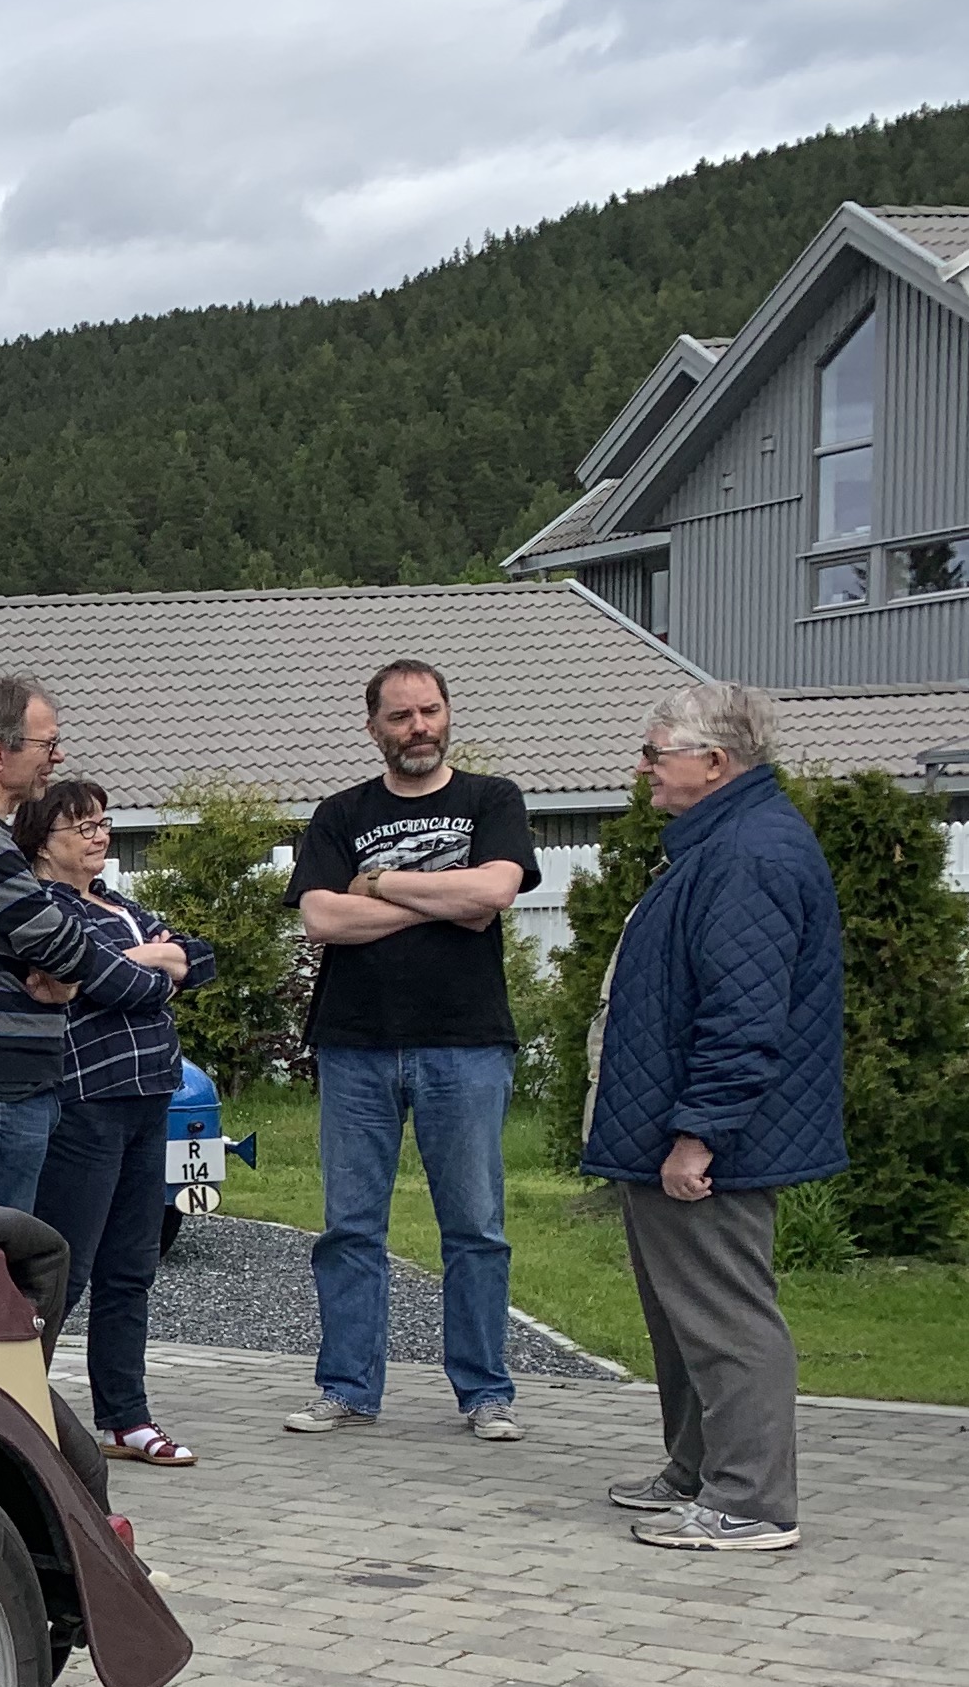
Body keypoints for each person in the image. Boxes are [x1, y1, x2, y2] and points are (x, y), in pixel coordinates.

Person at [583, 682, 844, 1552]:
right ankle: (695, 1471)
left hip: (716, 1140)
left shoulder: (747, 856)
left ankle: (751, 1503)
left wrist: (699, 1135)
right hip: (681, 1126)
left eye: (655, 754)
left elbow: (742, 1017)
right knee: (683, 1315)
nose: (643, 769)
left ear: (715, 763)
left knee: (725, 1316)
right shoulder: (726, 842)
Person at [281, 660, 540, 1443]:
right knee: (350, 1229)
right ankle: (347, 1388)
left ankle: (485, 1393)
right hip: (355, 1045)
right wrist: (442, 900)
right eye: (401, 716)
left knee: (475, 1228)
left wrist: (379, 884)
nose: (419, 727)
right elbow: (322, 920)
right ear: (374, 728)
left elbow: (493, 893)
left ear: (448, 713)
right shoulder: (339, 813)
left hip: (466, 1044)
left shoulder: (492, 799)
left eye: (430, 710)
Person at [0, 677, 167, 1212]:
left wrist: (65, 976)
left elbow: (57, 956)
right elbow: (67, 950)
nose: (58, 757)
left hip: (0, 1087)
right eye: (48, 744)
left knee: (5, 1243)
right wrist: (157, 981)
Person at [19, 779, 212, 1465]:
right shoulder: (44, 907)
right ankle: (16, 1407)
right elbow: (93, 982)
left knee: (132, 1267)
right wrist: (153, 964)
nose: (100, 836)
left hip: (152, 1099)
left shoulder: (122, 906)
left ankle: (124, 1416)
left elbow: (198, 958)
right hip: (87, 1102)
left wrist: (146, 961)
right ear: (44, 840)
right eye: (83, 826)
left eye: (103, 823)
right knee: (65, 1271)